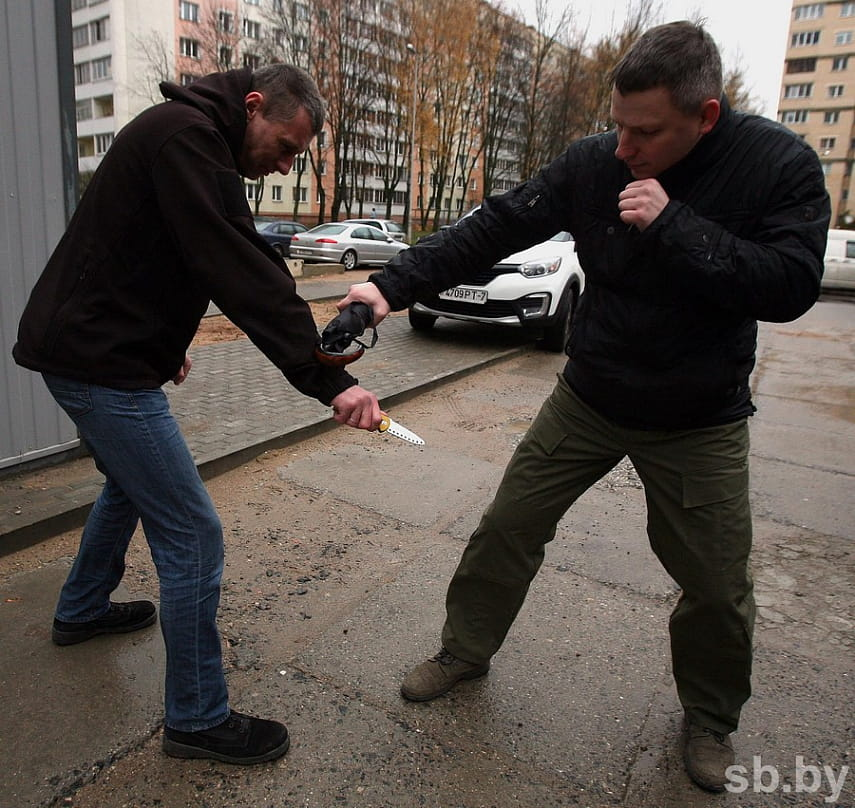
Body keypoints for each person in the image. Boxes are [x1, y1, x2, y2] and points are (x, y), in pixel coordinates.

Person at [337, 22, 829, 792]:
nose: (623, 148)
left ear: (705, 117)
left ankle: (708, 717)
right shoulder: (593, 163)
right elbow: (495, 225)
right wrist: (387, 288)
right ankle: (464, 652)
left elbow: (792, 285)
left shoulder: (776, 165)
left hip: (698, 416)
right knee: (506, 527)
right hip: (590, 393)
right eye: (618, 124)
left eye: (646, 132)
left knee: (713, 584)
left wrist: (675, 226)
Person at [13, 64, 383, 765]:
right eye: (284, 144)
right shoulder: (185, 138)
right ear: (252, 107)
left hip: (101, 354)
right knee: (192, 534)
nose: (283, 161)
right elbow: (234, 264)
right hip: (97, 366)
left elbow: (161, 254)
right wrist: (324, 378)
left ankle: (82, 608)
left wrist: (163, 345)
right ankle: (196, 717)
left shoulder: (192, 139)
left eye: (296, 157)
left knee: (131, 484)